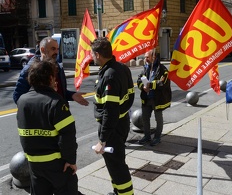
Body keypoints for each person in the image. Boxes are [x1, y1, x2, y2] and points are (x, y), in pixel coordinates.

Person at [17, 60, 80, 195]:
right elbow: (67, 134)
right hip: (58, 165)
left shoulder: (22, 101)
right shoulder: (55, 102)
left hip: (34, 165)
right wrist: (70, 160)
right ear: (51, 78)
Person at [91, 37, 135, 195]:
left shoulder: (109, 75)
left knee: (116, 166)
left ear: (98, 55)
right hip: (121, 124)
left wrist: (102, 140)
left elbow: (110, 111)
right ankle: (118, 191)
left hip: (112, 130)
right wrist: (122, 114)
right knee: (115, 163)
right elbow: (130, 97)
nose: (91, 58)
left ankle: (125, 193)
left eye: (92, 55)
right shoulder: (122, 68)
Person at [13, 36, 88, 106]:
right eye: (53, 49)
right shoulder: (29, 70)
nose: (56, 52)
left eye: (57, 49)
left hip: (59, 112)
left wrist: (72, 95)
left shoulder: (58, 68)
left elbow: (59, 92)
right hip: (43, 117)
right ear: (42, 50)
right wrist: (39, 110)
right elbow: (18, 97)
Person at [137, 50, 171, 146]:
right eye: (145, 57)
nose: (145, 59)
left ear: (154, 57)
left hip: (157, 100)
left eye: (147, 57)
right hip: (146, 98)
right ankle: (147, 136)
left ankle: (157, 137)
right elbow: (139, 80)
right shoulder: (145, 68)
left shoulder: (162, 70)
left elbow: (162, 83)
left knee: (158, 119)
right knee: (145, 118)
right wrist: (143, 87)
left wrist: (150, 85)